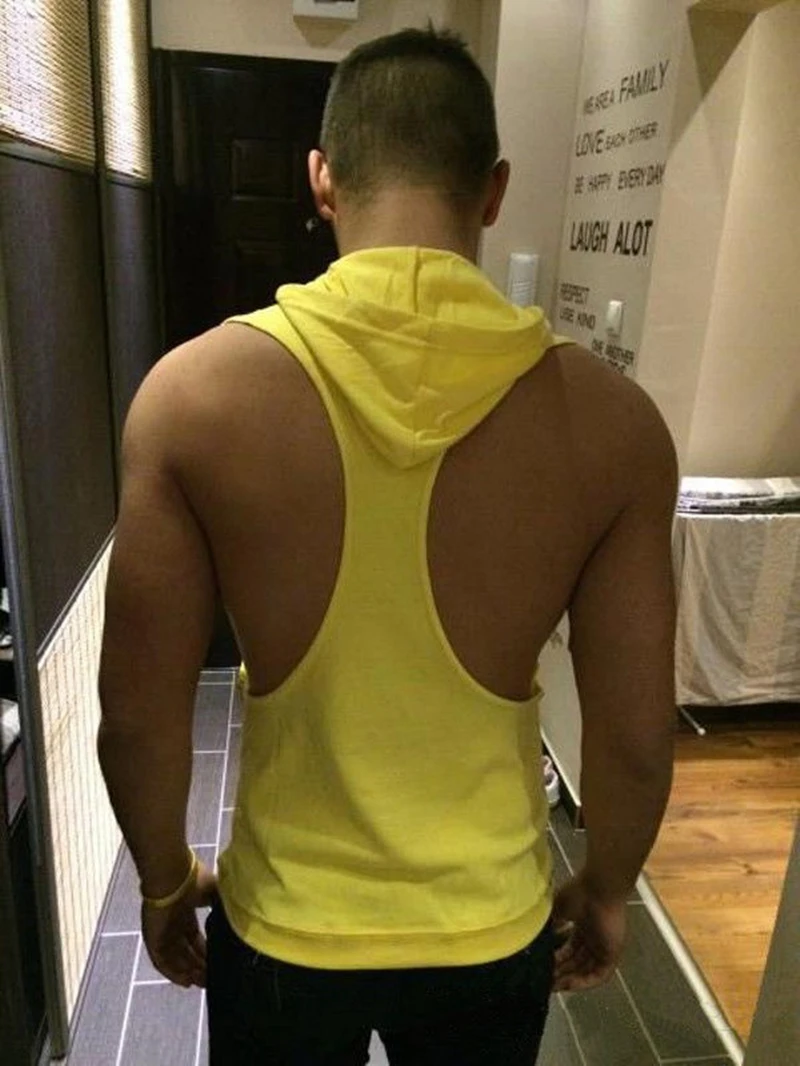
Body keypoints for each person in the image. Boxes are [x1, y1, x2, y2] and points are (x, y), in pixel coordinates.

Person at [98, 26, 677, 1066]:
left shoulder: (192, 400)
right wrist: (608, 886)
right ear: (492, 191)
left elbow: (137, 716)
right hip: (487, 929)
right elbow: (634, 735)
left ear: (321, 179)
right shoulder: (615, 427)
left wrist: (160, 877)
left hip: (285, 928)